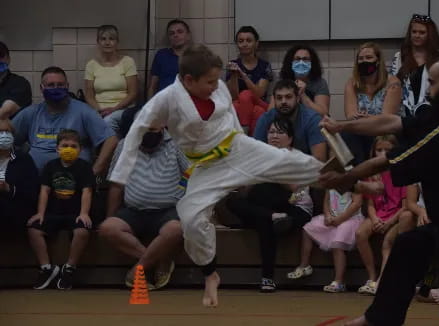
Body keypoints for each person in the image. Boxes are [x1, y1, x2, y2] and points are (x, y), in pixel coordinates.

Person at [108, 44, 324, 307]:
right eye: (210, 81)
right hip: (206, 168)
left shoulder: (217, 86)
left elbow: (231, 114)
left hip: (235, 147)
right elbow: (134, 135)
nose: (216, 85)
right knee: (189, 218)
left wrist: (241, 141)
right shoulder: (165, 100)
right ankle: (211, 274)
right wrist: (121, 174)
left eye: (215, 79)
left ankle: (344, 178)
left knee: (284, 160)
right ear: (189, 80)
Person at [319, 56, 439, 326]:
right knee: (408, 245)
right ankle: (379, 319)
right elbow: (392, 123)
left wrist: (345, 179)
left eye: (432, 83)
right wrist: (342, 126)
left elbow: (387, 161)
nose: (427, 90)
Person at [227, 117, 314, 292]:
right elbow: (244, 193)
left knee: (266, 195)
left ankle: (267, 277)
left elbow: (294, 188)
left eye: (280, 132)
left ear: (289, 138)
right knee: (235, 202)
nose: (274, 136)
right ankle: (270, 217)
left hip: (295, 208)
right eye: (271, 132)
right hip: (272, 211)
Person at [99, 121, 189, 289]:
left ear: (162, 127)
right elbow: (117, 184)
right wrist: (110, 215)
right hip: (133, 211)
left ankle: (138, 269)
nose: (147, 133)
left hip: (169, 210)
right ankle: (159, 261)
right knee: (108, 228)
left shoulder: (177, 143)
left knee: (175, 229)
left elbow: (191, 173)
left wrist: (180, 194)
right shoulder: (125, 145)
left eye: (152, 129)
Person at [12, 66, 117, 174]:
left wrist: (95, 171)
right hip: (35, 179)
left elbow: (111, 139)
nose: (56, 88)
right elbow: (7, 136)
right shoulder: (31, 113)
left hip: (75, 178)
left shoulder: (83, 111)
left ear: (67, 86)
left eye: (60, 85)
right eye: (51, 85)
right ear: (41, 88)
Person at [26, 129, 94, 290]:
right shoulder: (50, 166)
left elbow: (87, 191)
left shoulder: (84, 167)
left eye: (73, 146)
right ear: (57, 148)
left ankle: (69, 268)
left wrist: (84, 213)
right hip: (53, 213)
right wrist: (40, 213)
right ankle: (46, 269)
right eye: (65, 145)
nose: (69, 149)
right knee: (33, 230)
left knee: (82, 232)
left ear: (80, 149)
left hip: (75, 214)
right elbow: (44, 190)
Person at [287, 168, 364, 293]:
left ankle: (339, 281)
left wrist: (340, 219)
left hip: (351, 220)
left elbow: (356, 204)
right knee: (308, 228)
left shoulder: (355, 182)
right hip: (333, 218)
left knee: (337, 243)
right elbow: (326, 201)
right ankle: (304, 265)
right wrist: (328, 215)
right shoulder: (331, 182)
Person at [355, 135, 409, 295]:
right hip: (379, 213)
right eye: (379, 150)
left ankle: (383, 281)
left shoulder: (402, 172)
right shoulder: (371, 173)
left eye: (388, 150)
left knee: (389, 240)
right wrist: (375, 219)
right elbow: (370, 204)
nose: (383, 153)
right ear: (373, 152)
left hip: (397, 214)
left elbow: (405, 205)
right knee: (360, 233)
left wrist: (389, 222)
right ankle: (371, 277)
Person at [343, 42, 402, 163]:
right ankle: (356, 175)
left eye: (369, 57)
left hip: (385, 131)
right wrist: (368, 119)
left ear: (378, 61)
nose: (364, 61)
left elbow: (387, 119)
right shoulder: (352, 83)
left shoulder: (393, 82)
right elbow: (350, 115)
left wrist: (366, 119)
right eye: (361, 59)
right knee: (347, 134)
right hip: (362, 129)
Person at [84, 25, 138, 135]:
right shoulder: (91, 65)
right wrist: (99, 111)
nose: (107, 43)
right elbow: (89, 95)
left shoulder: (127, 62)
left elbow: (133, 93)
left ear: (117, 42)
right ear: (98, 42)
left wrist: (114, 109)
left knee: (108, 122)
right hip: (99, 111)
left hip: (123, 110)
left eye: (111, 39)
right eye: (103, 39)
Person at [254, 79, 327, 161]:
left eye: (288, 97)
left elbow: (320, 161)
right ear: (274, 100)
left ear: (298, 98)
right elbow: (256, 156)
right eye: (279, 98)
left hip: (305, 169)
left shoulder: (312, 119)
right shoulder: (265, 119)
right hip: (273, 167)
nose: (283, 101)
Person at [391, 14, 439, 117]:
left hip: (429, 112)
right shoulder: (399, 57)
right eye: (414, 32)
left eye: (422, 32)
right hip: (403, 113)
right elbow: (391, 86)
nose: (417, 35)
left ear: (430, 35)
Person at [226, 26, 273, 135]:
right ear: (237, 44)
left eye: (249, 40)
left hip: (260, 102)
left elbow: (259, 93)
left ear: (256, 43)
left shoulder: (264, 65)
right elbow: (233, 96)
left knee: (246, 94)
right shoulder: (232, 64)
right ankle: (253, 143)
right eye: (241, 41)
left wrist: (243, 76)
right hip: (243, 106)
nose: (245, 44)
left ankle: (243, 133)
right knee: (257, 111)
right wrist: (233, 75)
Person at [0, 119, 39, 230]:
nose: (4, 136)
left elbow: (32, 193)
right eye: (0, 132)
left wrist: (8, 188)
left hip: (15, 209)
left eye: (7, 132)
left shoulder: (23, 159)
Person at [273, 44, 330, 116]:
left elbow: (323, 113)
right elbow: (271, 112)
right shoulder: (282, 82)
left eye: (305, 59)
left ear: (312, 63)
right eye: (297, 59)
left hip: (313, 123)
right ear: (290, 62)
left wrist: (302, 94)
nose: (301, 63)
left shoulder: (320, 83)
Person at [148, 19, 192, 98]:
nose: (175, 35)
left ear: (188, 35)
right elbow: (152, 86)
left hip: (189, 102)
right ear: (169, 38)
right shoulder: (161, 55)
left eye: (180, 32)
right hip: (165, 102)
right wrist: (150, 108)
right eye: (171, 33)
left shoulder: (197, 56)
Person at [0, 41, 32, 119]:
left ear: (8, 59)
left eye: (0, 56)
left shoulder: (20, 83)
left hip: (13, 130)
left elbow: (7, 110)